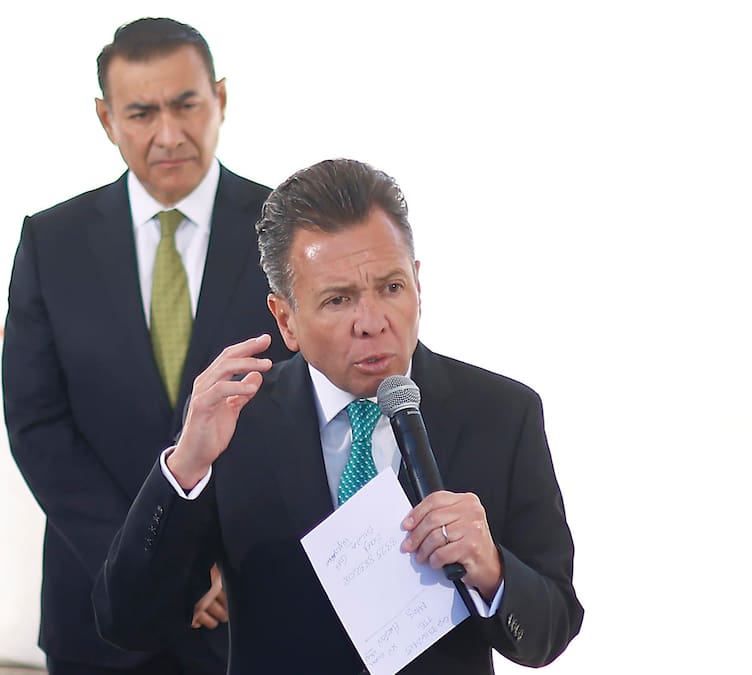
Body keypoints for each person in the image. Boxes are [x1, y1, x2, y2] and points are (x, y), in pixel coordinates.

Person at [92, 158, 584, 674]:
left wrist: (494, 570)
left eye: (391, 288)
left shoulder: (501, 413)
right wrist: (185, 468)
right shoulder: (235, 422)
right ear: (286, 319)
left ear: (418, 284)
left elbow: (550, 631)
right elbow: (129, 622)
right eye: (338, 300)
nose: (371, 322)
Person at [3, 18, 288, 675]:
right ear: (107, 119)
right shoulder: (50, 241)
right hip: (96, 612)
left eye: (186, 105)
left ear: (220, 98)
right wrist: (148, 563)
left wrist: (228, 563)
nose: (169, 133)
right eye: (141, 113)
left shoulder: (289, 231)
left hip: (250, 606)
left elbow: (320, 407)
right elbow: (37, 425)